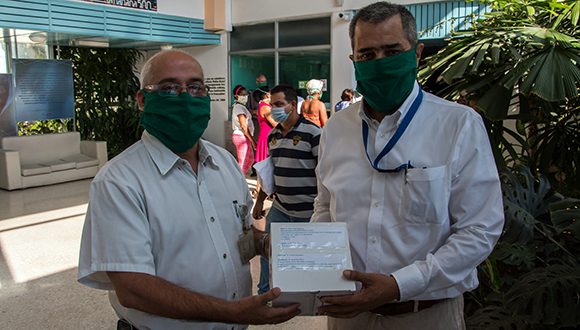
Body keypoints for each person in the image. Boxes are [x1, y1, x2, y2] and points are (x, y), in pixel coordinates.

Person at [312, 3, 504, 329]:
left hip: (425, 314)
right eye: (367, 54)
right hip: (349, 316)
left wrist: (400, 285)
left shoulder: (458, 125)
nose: (380, 63)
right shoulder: (336, 128)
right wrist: (315, 267)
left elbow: (479, 228)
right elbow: (325, 207)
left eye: (392, 51)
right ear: (353, 59)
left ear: (416, 54)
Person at [77, 50, 300, 330]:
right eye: (169, 88)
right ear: (142, 100)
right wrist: (232, 312)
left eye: (195, 87)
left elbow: (239, 235)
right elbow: (133, 288)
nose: (185, 97)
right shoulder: (119, 182)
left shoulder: (225, 163)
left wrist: (265, 244)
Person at [252, 84, 321, 295]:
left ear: (293, 105)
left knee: (302, 259)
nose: (274, 109)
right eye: (272, 105)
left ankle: (301, 297)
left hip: (307, 212)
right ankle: (264, 293)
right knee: (268, 251)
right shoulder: (273, 136)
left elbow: (325, 174)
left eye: (279, 104)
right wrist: (260, 201)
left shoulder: (313, 133)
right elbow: (269, 172)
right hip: (280, 208)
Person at [231, 84, 256, 175]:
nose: (245, 97)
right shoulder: (238, 107)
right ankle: (238, 179)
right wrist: (253, 141)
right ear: (236, 96)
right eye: (242, 95)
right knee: (243, 161)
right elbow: (244, 126)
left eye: (246, 95)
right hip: (241, 136)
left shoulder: (241, 107)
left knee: (250, 159)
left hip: (244, 137)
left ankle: (241, 176)